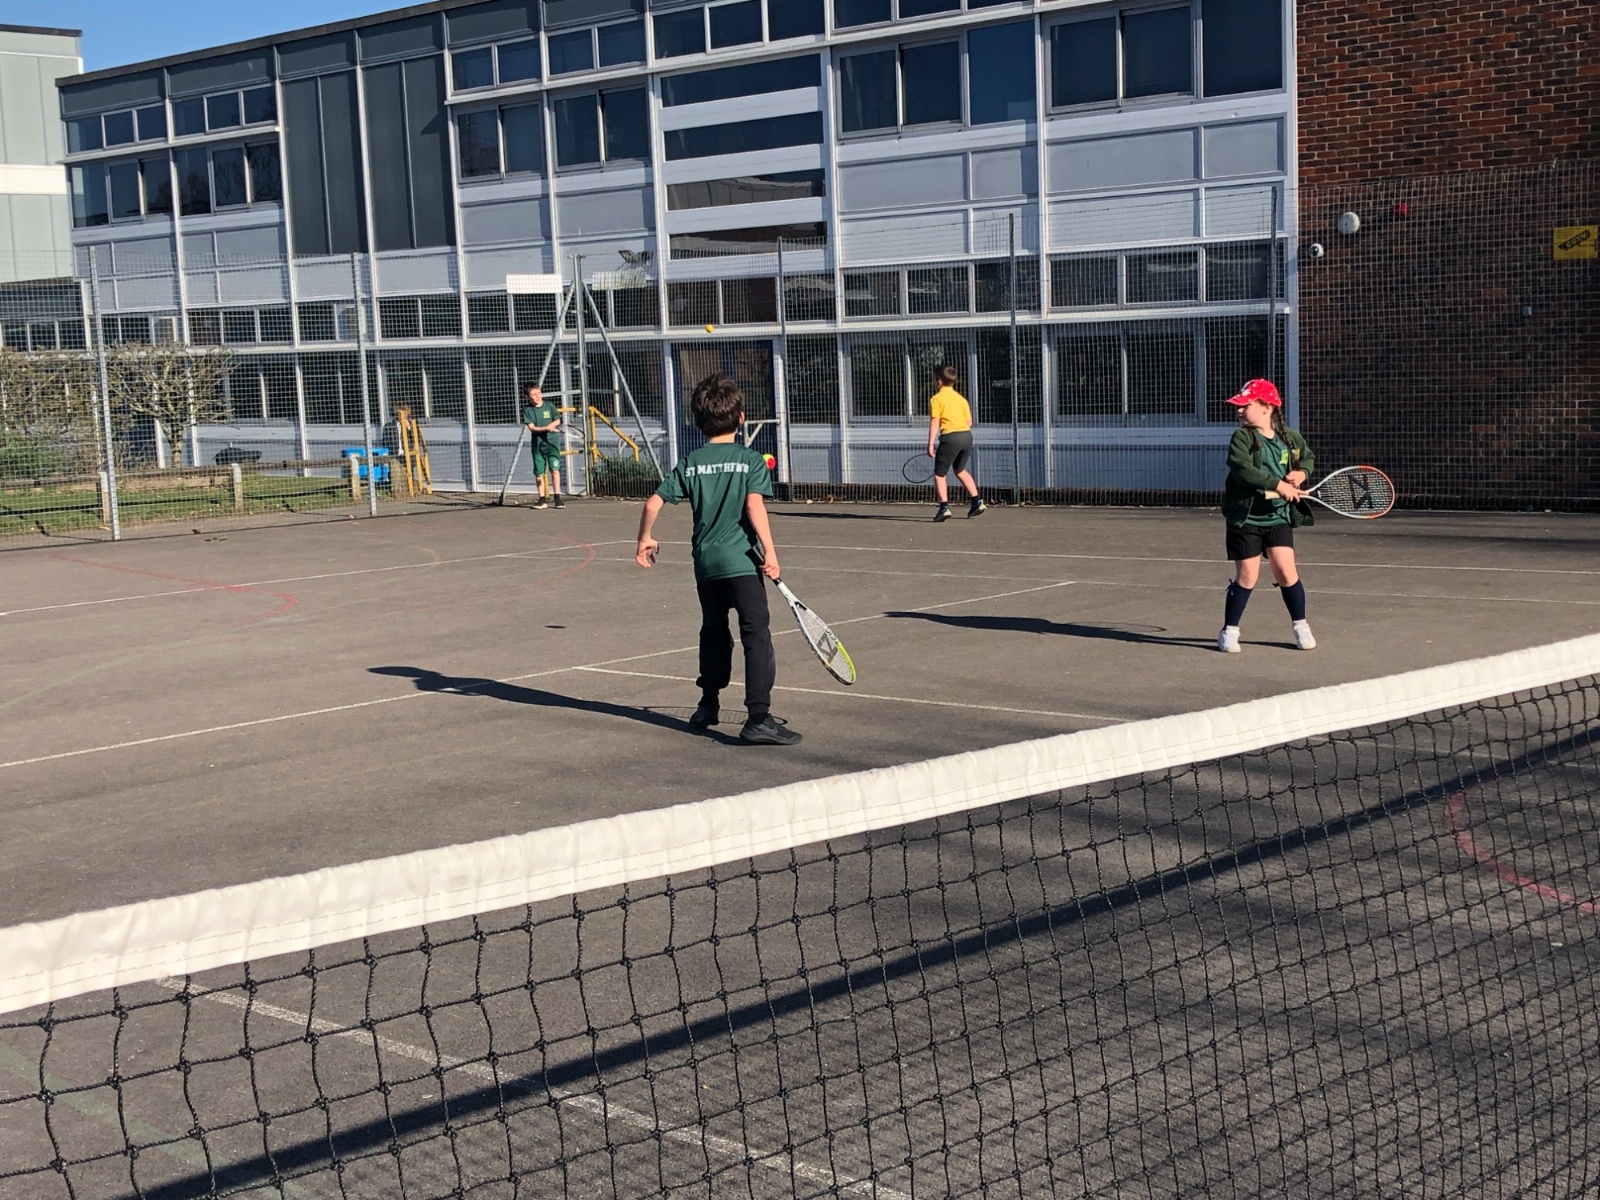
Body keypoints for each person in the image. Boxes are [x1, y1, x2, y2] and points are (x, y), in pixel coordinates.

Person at [635, 373, 801, 746]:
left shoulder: (691, 462)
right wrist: (771, 552)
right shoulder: (750, 460)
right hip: (742, 562)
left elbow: (652, 503)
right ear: (741, 418)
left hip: (706, 565)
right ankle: (758, 717)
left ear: (698, 422)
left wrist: (645, 538)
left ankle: (708, 704)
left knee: (714, 631)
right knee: (755, 633)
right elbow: (754, 506)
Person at [1218, 378, 1316, 654]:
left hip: (1278, 517)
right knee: (1248, 576)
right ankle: (1229, 631)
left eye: (1245, 405)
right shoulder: (1242, 438)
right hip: (1246, 518)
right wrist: (1278, 485)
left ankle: (1301, 625)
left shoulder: (1290, 438)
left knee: (1286, 572)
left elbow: (1307, 458)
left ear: (1267, 407)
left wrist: (1302, 473)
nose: (1239, 411)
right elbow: (1242, 469)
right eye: (1237, 406)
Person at [925, 365, 986, 522]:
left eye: (933, 380)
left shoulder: (936, 399)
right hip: (966, 436)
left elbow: (935, 421)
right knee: (960, 469)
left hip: (950, 438)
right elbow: (969, 422)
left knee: (939, 474)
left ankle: (944, 508)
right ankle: (977, 501)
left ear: (939, 382)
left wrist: (930, 444)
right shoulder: (961, 399)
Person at [520, 383, 564, 509]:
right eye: (534, 394)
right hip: (538, 446)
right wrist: (545, 428)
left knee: (555, 470)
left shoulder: (549, 406)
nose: (537, 396)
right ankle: (542, 499)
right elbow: (532, 427)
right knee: (539, 474)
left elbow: (557, 420)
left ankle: (558, 498)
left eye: (539, 393)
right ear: (527, 397)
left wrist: (552, 426)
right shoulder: (527, 410)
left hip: (552, 444)